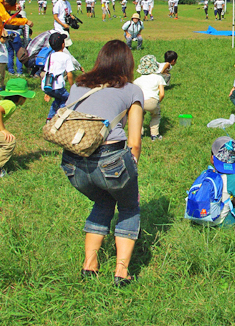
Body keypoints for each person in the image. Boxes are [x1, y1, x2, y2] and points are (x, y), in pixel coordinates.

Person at [60, 40, 143, 285]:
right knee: (128, 207)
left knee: (103, 201)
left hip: (73, 162)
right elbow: (135, 141)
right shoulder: (131, 89)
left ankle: (89, 266)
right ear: (127, 63)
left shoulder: (79, 84)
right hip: (111, 159)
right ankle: (121, 271)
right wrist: (131, 167)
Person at [42, 32, 76, 120]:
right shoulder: (66, 57)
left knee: (58, 99)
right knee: (68, 100)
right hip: (58, 86)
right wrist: (72, 86)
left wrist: (47, 92)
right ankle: (61, 118)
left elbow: (46, 72)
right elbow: (69, 74)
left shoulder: (50, 56)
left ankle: (50, 118)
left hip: (47, 85)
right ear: (63, 44)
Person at [133, 55, 164, 141]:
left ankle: (139, 134)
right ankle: (155, 135)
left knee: (139, 117)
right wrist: (158, 101)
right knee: (155, 115)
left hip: (140, 101)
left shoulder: (137, 80)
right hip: (152, 101)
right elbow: (162, 94)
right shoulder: (158, 78)